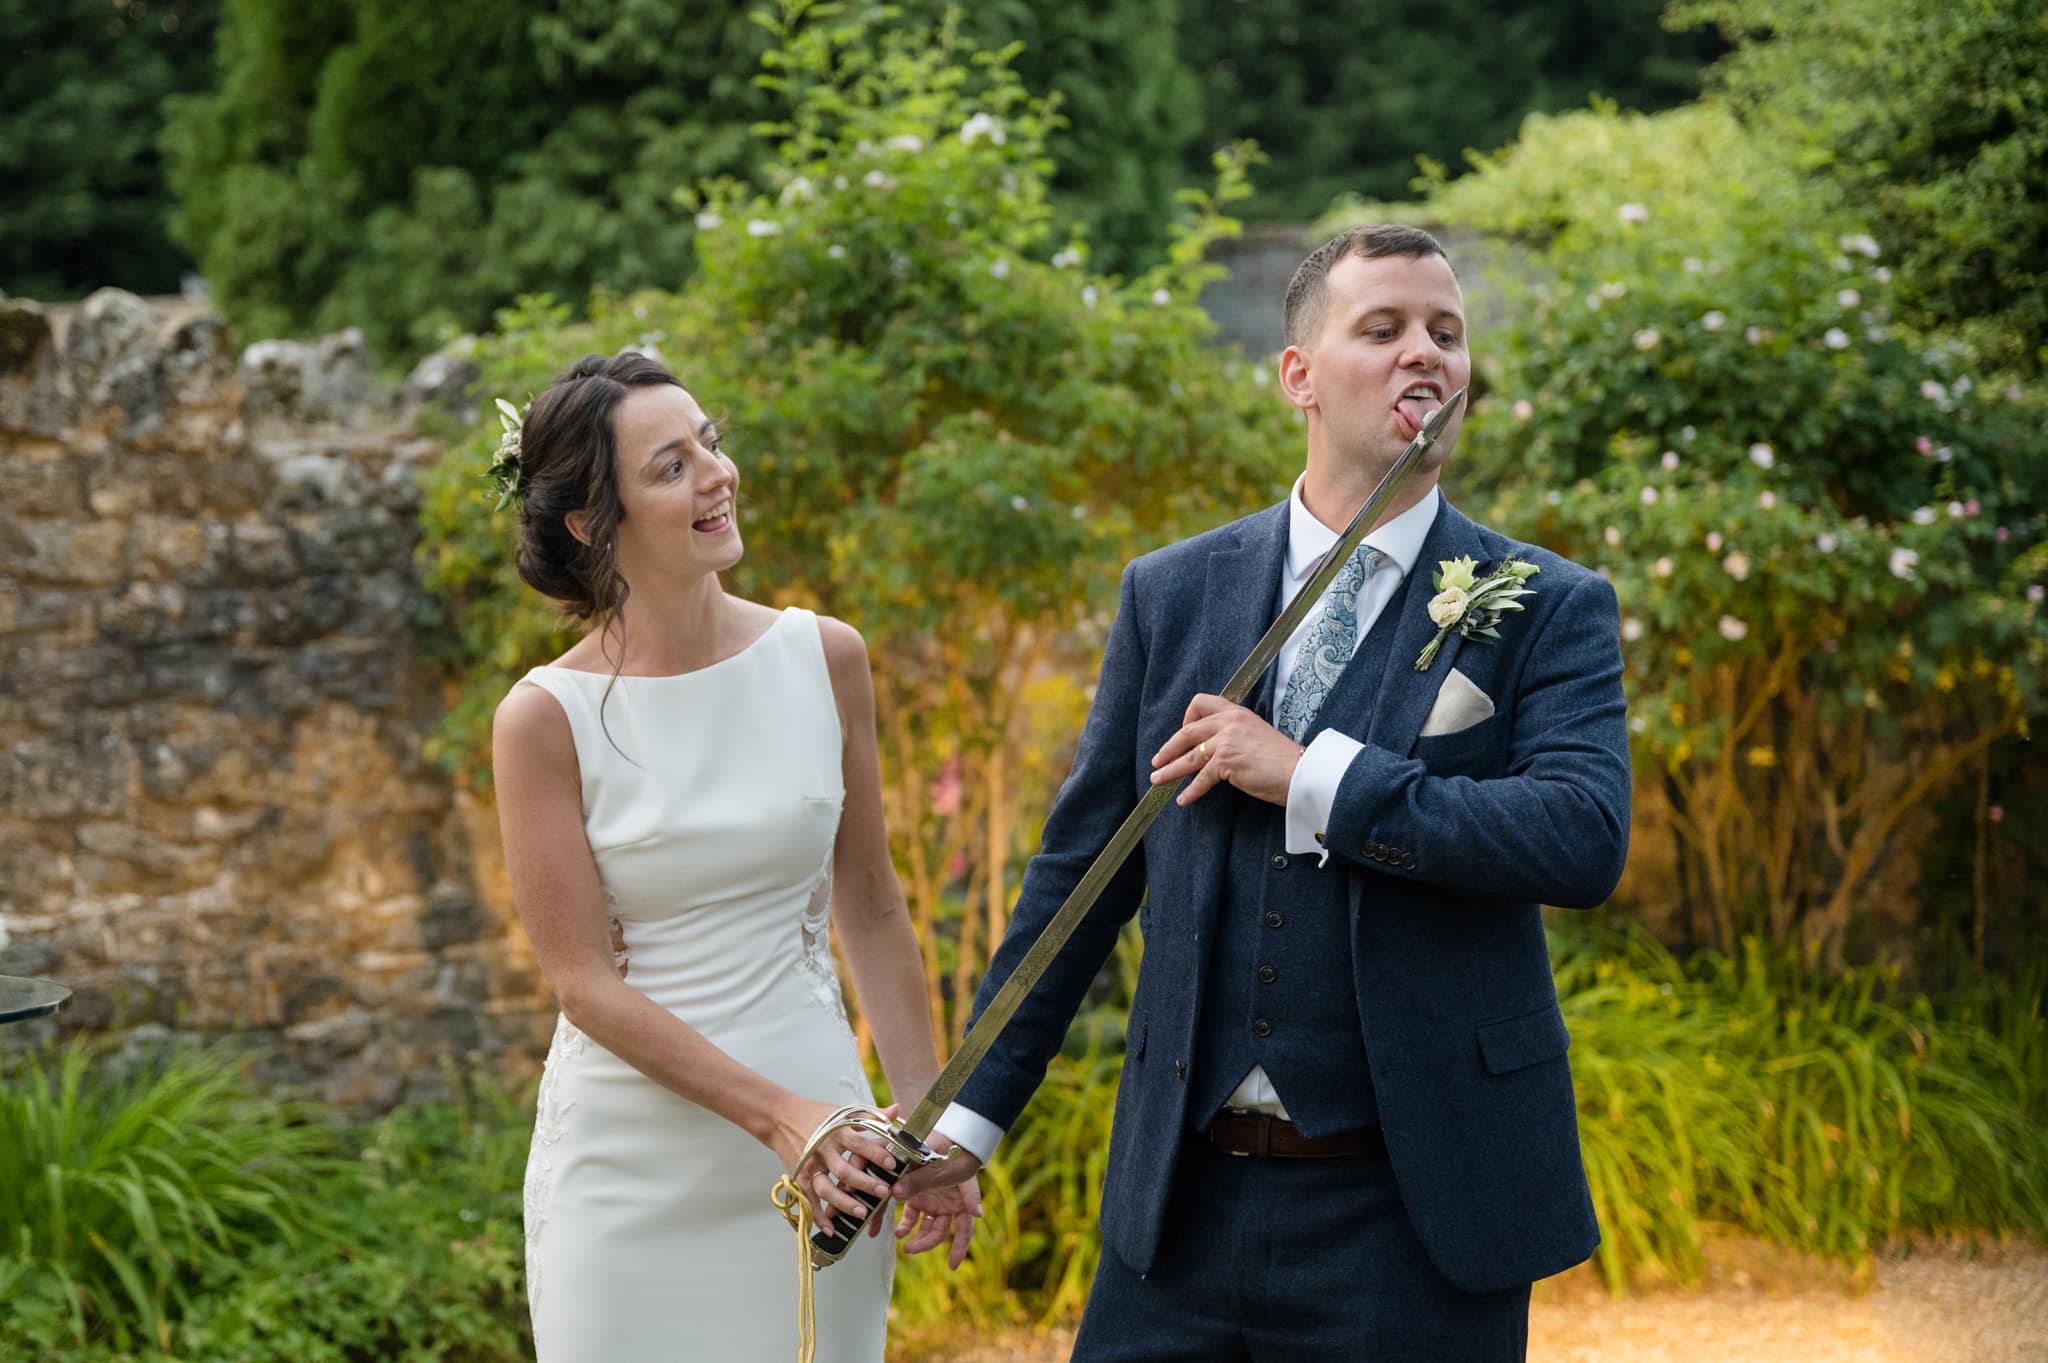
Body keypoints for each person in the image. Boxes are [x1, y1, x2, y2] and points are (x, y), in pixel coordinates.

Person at [900, 226, 1631, 1360]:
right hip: (1178, 1216)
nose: (1423, 356)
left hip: (1416, 1217)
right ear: (1297, 374)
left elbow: (1578, 837)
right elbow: (1082, 877)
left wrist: (1312, 776)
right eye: (1380, 330)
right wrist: (970, 1119)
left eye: (1445, 332)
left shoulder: (1546, 602)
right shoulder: (1171, 593)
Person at [490, 353, 980, 1363]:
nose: (717, 473)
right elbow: (581, 983)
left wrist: (929, 1123)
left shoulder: (823, 656)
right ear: (591, 521)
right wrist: (783, 1121)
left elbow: (872, 901)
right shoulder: (543, 718)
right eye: (670, 466)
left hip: (832, 1150)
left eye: (708, 441)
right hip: (629, 1174)